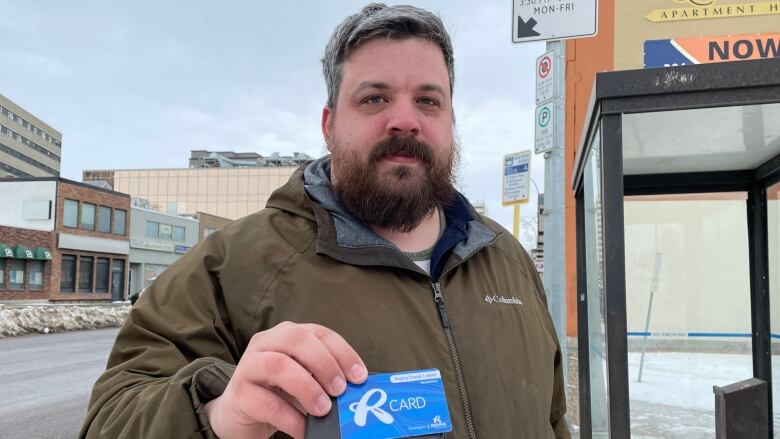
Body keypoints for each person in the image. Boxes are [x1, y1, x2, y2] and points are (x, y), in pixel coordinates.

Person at [80, 3, 569, 438]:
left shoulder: (507, 260)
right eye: (374, 98)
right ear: (329, 124)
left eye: (428, 100)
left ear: (450, 122)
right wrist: (219, 418)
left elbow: (552, 419)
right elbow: (111, 419)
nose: (405, 119)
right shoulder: (232, 267)